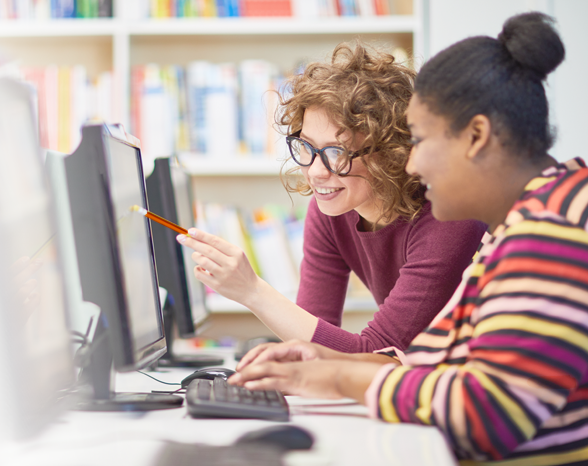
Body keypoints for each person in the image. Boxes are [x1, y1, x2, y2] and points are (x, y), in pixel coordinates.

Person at [230, 12, 588, 464]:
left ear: (476, 137)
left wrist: (337, 379)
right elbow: (437, 360)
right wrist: (324, 361)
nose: (410, 166)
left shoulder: (554, 231)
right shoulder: (525, 222)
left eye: (421, 142)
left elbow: (488, 415)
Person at [176, 43, 487, 353]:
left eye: (336, 152)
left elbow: (378, 353)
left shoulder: (449, 217)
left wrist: (254, 291)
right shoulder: (330, 211)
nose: (315, 172)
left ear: (391, 153)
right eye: (307, 147)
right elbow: (313, 336)